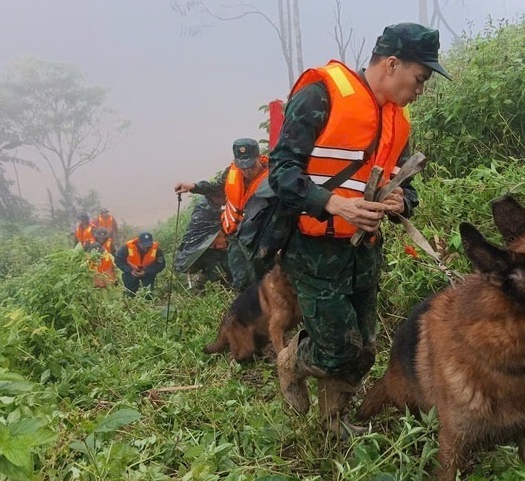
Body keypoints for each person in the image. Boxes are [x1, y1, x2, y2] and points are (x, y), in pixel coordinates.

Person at [269, 22, 449, 439]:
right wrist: (333, 203)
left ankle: (333, 422)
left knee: (364, 349)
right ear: (392, 64)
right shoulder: (321, 94)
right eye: (420, 78)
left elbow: (407, 186)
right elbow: (281, 172)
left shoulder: (397, 122)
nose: (421, 90)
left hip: (364, 250)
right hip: (314, 249)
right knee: (337, 349)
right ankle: (292, 361)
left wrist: (401, 200)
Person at [174, 138, 268, 291]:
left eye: (250, 165)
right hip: (237, 236)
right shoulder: (231, 172)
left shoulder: (273, 175)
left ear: (259, 157)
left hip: (260, 236)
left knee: (264, 279)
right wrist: (193, 187)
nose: (247, 170)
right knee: (241, 281)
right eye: (242, 166)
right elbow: (218, 188)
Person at [174, 181, 232, 290]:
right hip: (210, 251)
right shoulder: (204, 210)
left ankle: (227, 291)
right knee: (216, 273)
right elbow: (194, 235)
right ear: (212, 197)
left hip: (226, 248)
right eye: (220, 197)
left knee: (231, 271)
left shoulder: (230, 207)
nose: (223, 199)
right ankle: (200, 285)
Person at [114, 232, 166, 298]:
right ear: (139, 243)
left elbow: (161, 265)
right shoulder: (127, 247)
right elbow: (118, 260)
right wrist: (130, 270)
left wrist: (146, 271)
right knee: (130, 295)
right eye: (144, 246)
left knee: (148, 295)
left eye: (149, 246)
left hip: (147, 273)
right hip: (130, 273)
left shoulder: (156, 249)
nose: (146, 248)